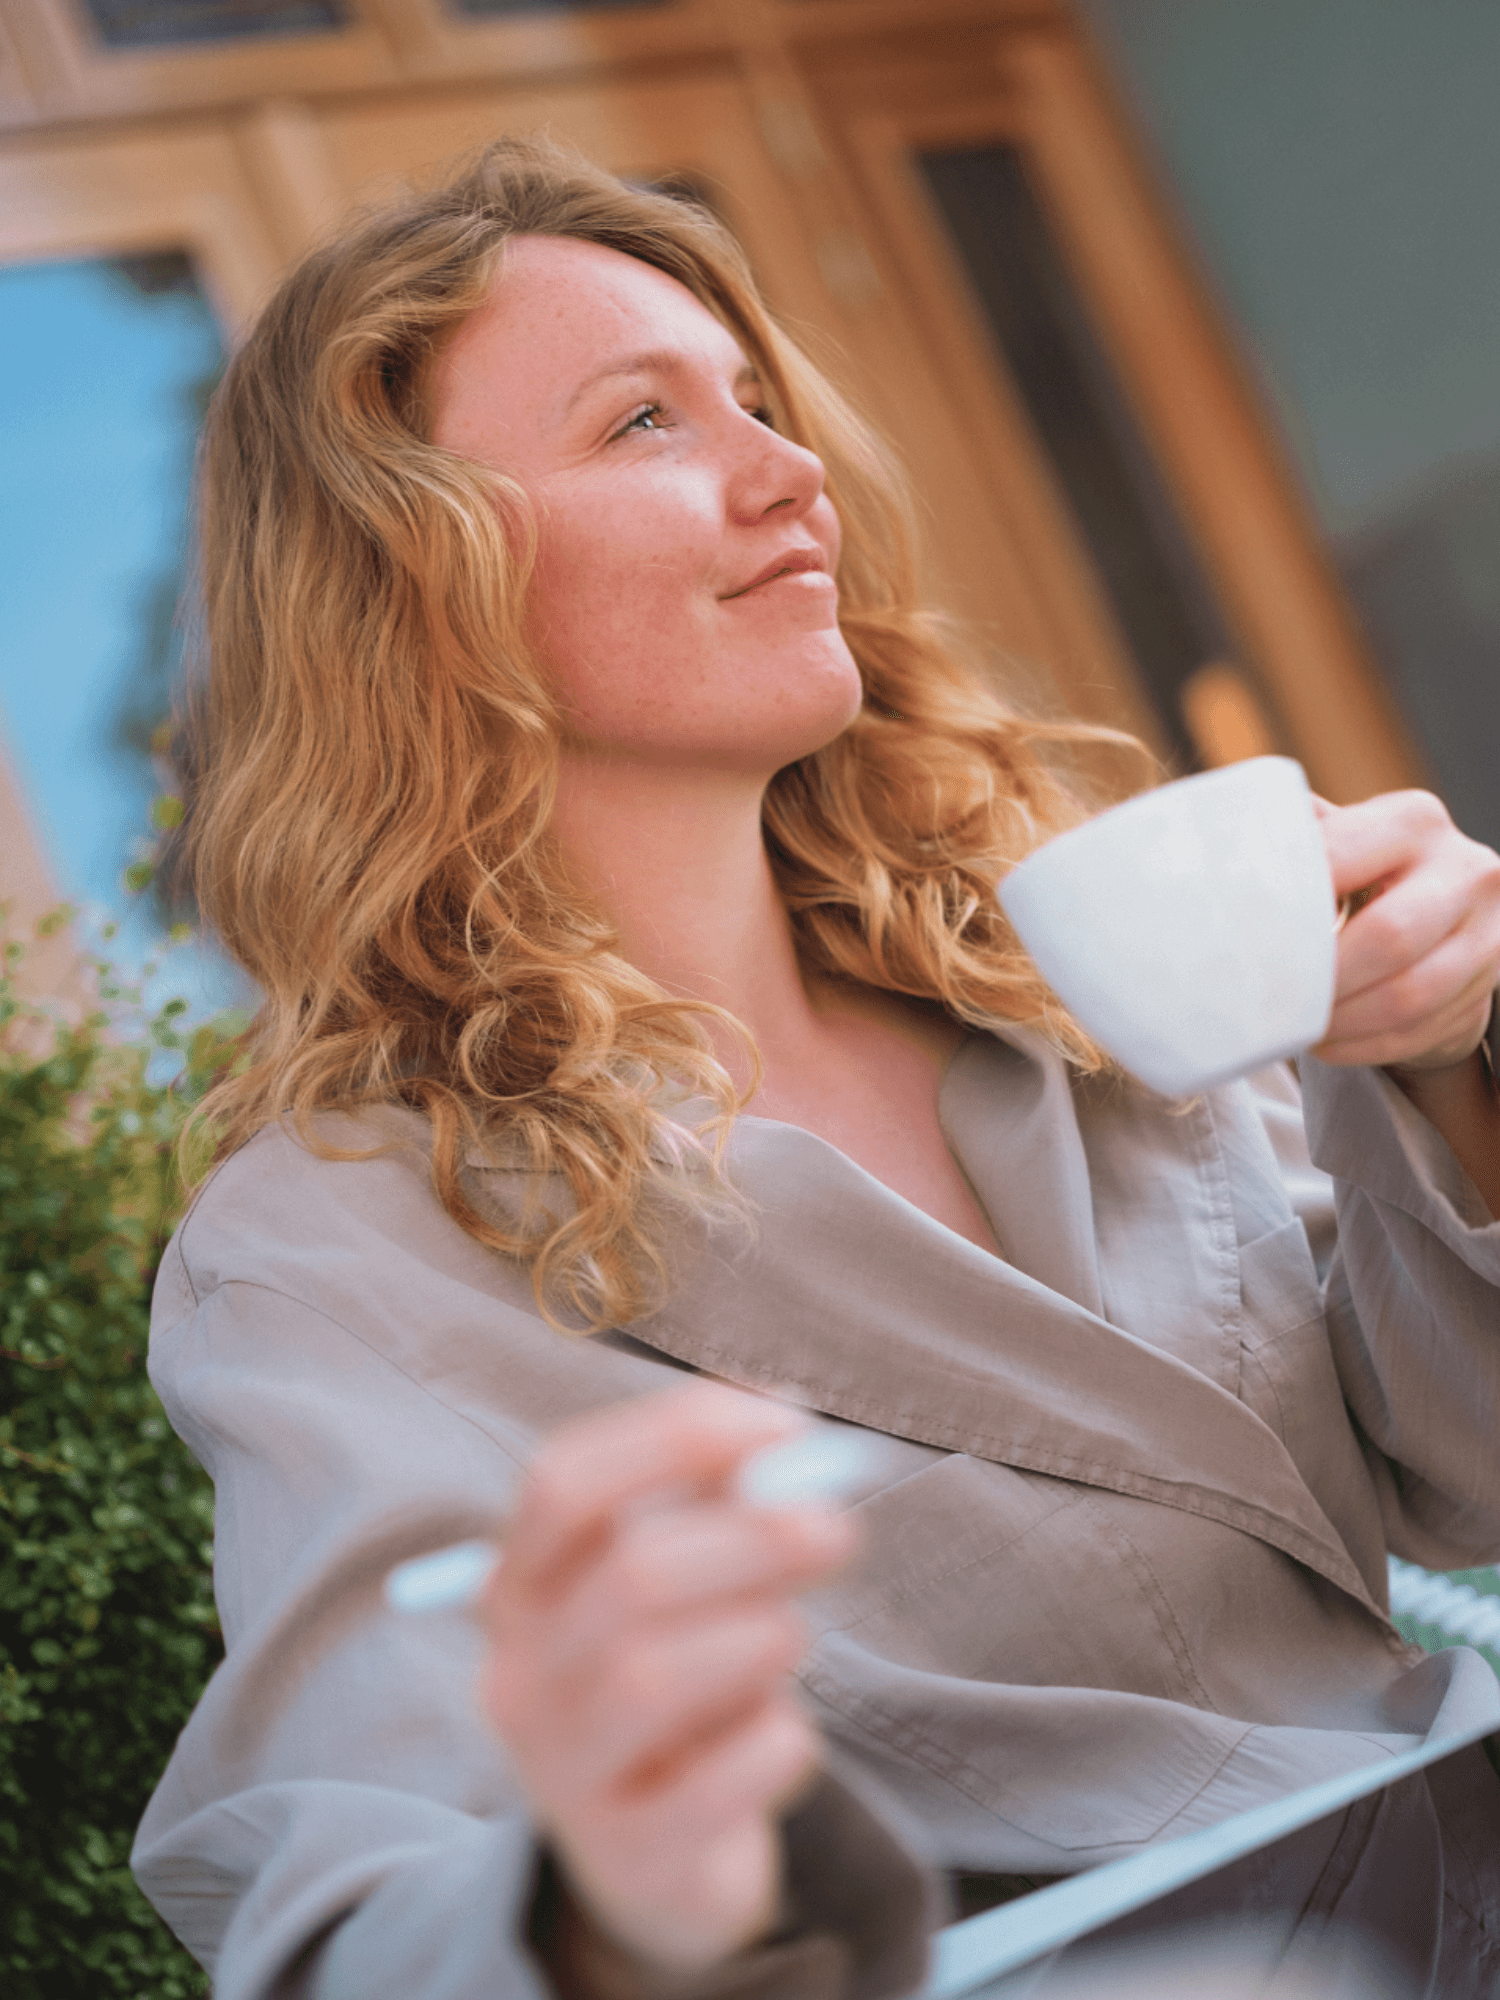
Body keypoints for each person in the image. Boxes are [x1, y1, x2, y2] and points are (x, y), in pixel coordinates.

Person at [131, 136, 1500, 2000]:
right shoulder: (346, 1244)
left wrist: (1441, 1068)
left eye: (764, 402)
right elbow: (342, 1884)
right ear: (416, 585)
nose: (794, 478)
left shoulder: (1050, 970)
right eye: (643, 424)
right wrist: (606, 1896)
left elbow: (1463, 1477)